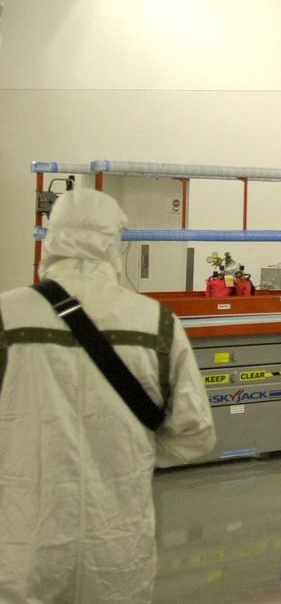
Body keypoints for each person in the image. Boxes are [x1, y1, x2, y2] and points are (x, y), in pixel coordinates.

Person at [0, 189, 215, 603]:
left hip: (23, 543)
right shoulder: (156, 322)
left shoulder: (7, 315)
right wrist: (128, 454)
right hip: (116, 545)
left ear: (51, 238)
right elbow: (195, 433)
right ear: (115, 242)